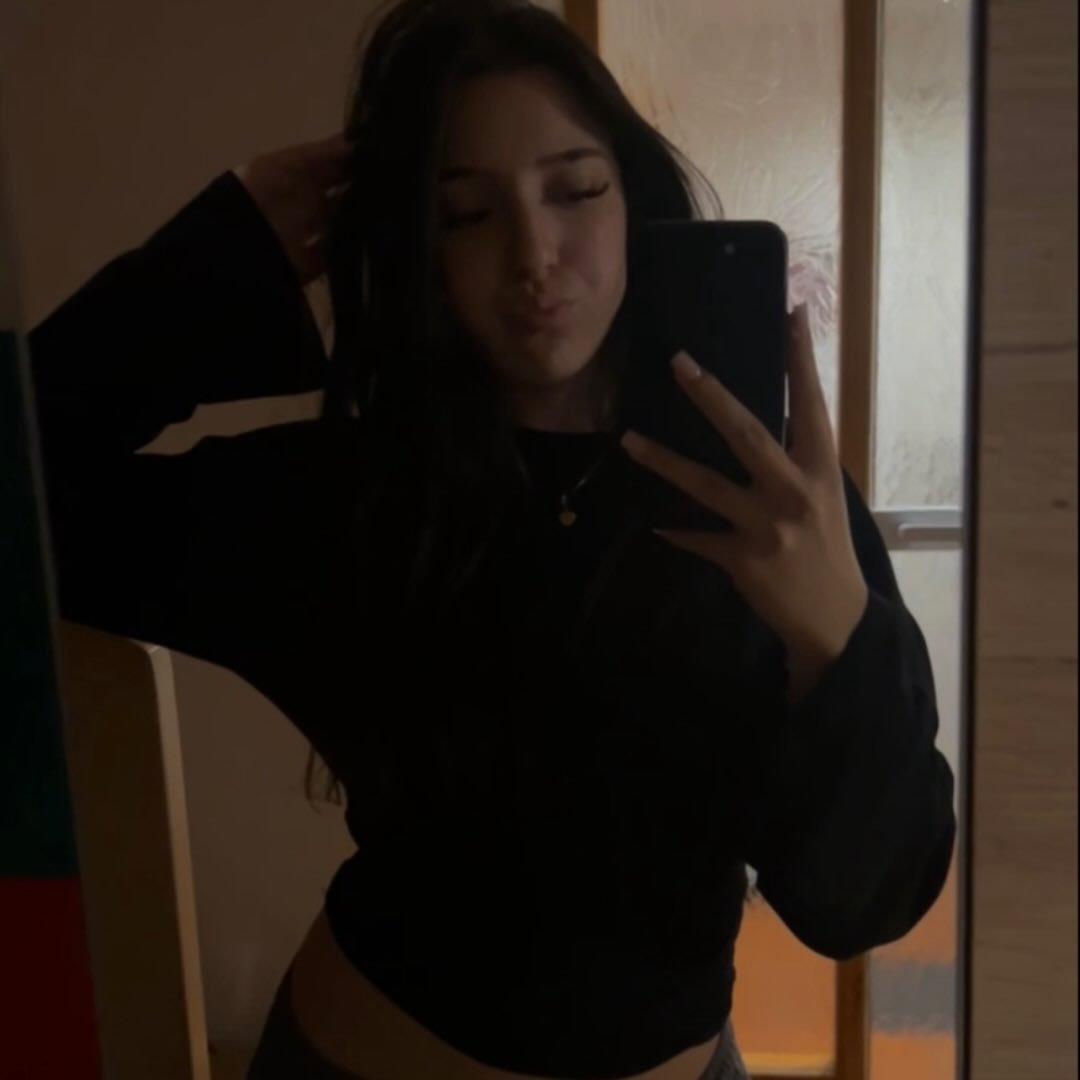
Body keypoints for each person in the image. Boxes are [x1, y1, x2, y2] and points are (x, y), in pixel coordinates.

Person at [27, 1, 956, 1078]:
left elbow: (863, 903)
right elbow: (22, 502)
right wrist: (214, 262)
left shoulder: (771, 507)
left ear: (634, 199)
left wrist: (838, 638)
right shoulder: (347, 500)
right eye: (467, 213)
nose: (535, 257)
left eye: (576, 190)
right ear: (417, 247)